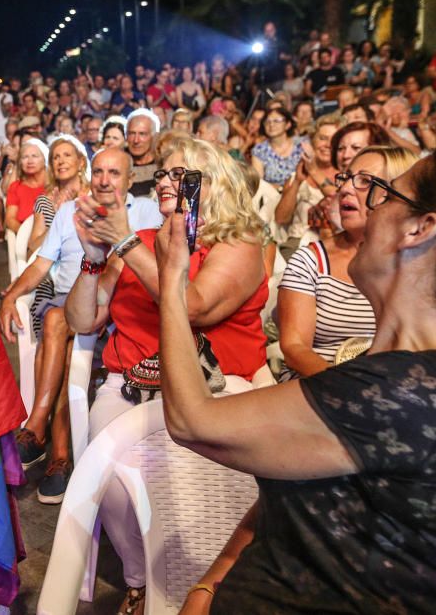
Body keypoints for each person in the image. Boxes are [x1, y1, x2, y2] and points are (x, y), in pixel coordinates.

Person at [156, 154, 436, 615]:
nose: (368, 203)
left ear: (418, 228)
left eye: (384, 192)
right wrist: (211, 581)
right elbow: (294, 493)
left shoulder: (396, 394)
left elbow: (192, 421)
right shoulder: (387, 372)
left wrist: (171, 280)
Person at [65, 137, 267, 614]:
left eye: (177, 174)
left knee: (210, 493)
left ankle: (205, 581)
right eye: (161, 175)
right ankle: (140, 579)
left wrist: (126, 242)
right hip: (131, 387)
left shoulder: (239, 245)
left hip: (214, 393)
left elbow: (191, 306)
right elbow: (82, 321)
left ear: (209, 182)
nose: (162, 182)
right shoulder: (143, 244)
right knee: (108, 476)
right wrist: (95, 259)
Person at [0, 147, 162, 505]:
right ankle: (59, 457)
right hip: (69, 302)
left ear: (131, 180)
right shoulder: (69, 212)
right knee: (60, 320)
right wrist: (10, 296)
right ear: (91, 174)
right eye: (100, 171)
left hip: (121, 314)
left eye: (115, 173)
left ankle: (40, 432)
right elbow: (40, 266)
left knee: (63, 330)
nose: (105, 180)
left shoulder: (148, 212)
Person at [277, 145, 416, 381]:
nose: (345, 189)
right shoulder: (311, 260)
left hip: (392, 388)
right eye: (347, 178)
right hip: (316, 383)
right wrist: (349, 387)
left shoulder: (419, 261)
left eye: (364, 181)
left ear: (398, 193)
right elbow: (295, 347)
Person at [273, 113, 343, 256]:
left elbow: (337, 200)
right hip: (297, 244)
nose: (327, 145)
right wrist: (297, 182)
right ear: (312, 141)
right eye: (322, 138)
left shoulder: (346, 177)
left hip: (335, 245)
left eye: (334, 140)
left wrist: (314, 171)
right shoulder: (298, 175)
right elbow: (281, 218)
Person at [250, 105, 305, 186]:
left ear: (288, 124)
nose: (271, 125)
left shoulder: (301, 145)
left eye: (276, 121)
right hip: (272, 194)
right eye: (267, 121)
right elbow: (259, 182)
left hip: (300, 191)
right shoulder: (259, 150)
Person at [4, 139, 48, 233]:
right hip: (26, 240)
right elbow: (10, 219)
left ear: (44, 160)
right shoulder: (16, 187)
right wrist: (26, 237)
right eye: (25, 157)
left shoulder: (54, 186)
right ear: (20, 162)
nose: (30, 161)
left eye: (34, 156)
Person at [125, 109, 160, 197]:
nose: (136, 140)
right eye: (132, 133)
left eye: (142, 134)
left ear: (154, 136)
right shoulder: (118, 163)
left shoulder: (163, 164)